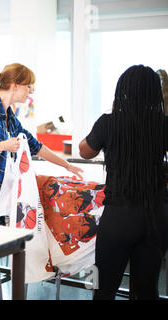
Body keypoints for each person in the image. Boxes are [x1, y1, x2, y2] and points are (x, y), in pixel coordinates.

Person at [0, 62, 84, 300]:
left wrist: (66, 164)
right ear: (16, 85)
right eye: (28, 86)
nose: (30, 91)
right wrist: (2, 145)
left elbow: (36, 146)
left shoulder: (10, 118)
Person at [79, 65, 168, 300]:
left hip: (118, 217)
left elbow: (85, 151)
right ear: (155, 92)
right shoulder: (164, 123)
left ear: (123, 90)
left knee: (103, 289)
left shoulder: (108, 123)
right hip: (155, 217)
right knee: (148, 291)